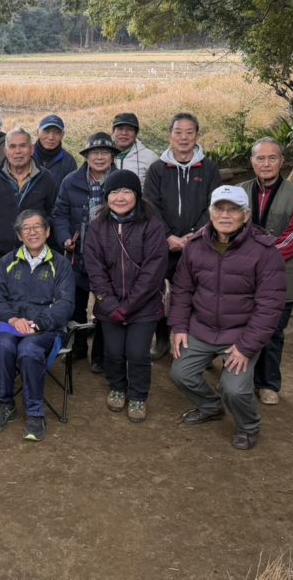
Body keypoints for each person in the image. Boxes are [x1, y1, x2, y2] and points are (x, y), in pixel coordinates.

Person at [169, 185, 286, 450]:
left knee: (234, 389)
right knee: (180, 374)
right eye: (219, 209)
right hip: (202, 328)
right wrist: (179, 327)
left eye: (233, 210)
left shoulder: (265, 251)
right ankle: (211, 407)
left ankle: (249, 426)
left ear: (246, 215)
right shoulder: (195, 246)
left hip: (240, 333)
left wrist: (246, 347)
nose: (225, 215)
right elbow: (183, 290)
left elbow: (270, 306)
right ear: (210, 213)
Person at [85, 170, 169, 423]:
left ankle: (138, 396)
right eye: (113, 192)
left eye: (126, 191)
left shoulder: (152, 225)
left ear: (137, 195)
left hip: (144, 305)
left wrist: (129, 305)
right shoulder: (97, 226)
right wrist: (110, 304)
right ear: (106, 196)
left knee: (137, 352)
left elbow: (154, 270)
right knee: (113, 351)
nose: (119, 198)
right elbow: (94, 268)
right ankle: (117, 388)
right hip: (109, 305)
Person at [0, 210, 76, 442]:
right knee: (2, 346)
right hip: (13, 325)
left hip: (46, 328)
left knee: (29, 349)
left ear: (47, 232)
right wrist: (13, 319)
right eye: (26, 228)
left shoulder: (61, 264)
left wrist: (39, 323)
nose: (32, 232)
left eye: (37, 227)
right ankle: (5, 404)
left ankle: (35, 413)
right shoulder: (7, 262)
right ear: (19, 235)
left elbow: (65, 304)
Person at [143, 113, 222, 361]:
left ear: (197, 136)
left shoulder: (209, 169)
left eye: (189, 132)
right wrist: (168, 236)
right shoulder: (157, 169)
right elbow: (150, 206)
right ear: (170, 135)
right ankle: (162, 339)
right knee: (160, 292)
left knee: (200, 294)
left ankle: (198, 347)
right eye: (178, 132)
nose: (184, 138)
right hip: (164, 245)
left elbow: (214, 205)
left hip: (200, 243)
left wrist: (194, 236)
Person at [240, 137, 293, 406]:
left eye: (272, 158)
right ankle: (240, 380)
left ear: (282, 162)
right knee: (241, 327)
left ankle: (268, 384)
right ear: (252, 162)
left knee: (271, 333)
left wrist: (258, 259)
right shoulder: (239, 191)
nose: (266, 163)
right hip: (242, 278)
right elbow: (227, 227)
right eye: (260, 158)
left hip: (280, 277)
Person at [52, 132, 121, 373]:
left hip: (111, 258)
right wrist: (64, 238)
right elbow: (60, 214)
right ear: (87, 156)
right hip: (77, 255)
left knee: (105, 307)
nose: (99, 157)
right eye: (94, 153)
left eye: (105, 153)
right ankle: (78, 346)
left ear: (112, 156)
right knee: (75, 304)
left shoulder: (122, 181)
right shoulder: (71, 181)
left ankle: (100, 354)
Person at [0, 127, 58, 282]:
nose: (18, 151)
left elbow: (53, 213)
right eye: (12, 146)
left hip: (35, 258)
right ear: (5, 151)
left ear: (32, 149)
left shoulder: (46, 178)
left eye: (23, 146)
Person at [111, 113, 159, 189]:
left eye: (129, 129)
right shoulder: (103, 156)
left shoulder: (150, 158)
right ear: (113, 132)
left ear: (136, 134)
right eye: (120, 129)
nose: (124, 133)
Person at [33, 114, 77, 185]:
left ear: (62, 135)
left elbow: (71, 189)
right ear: (38, 132)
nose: (51, 137)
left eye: (56, 132)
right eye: (46, 131)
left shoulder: (69, 161)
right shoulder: (25, 155)